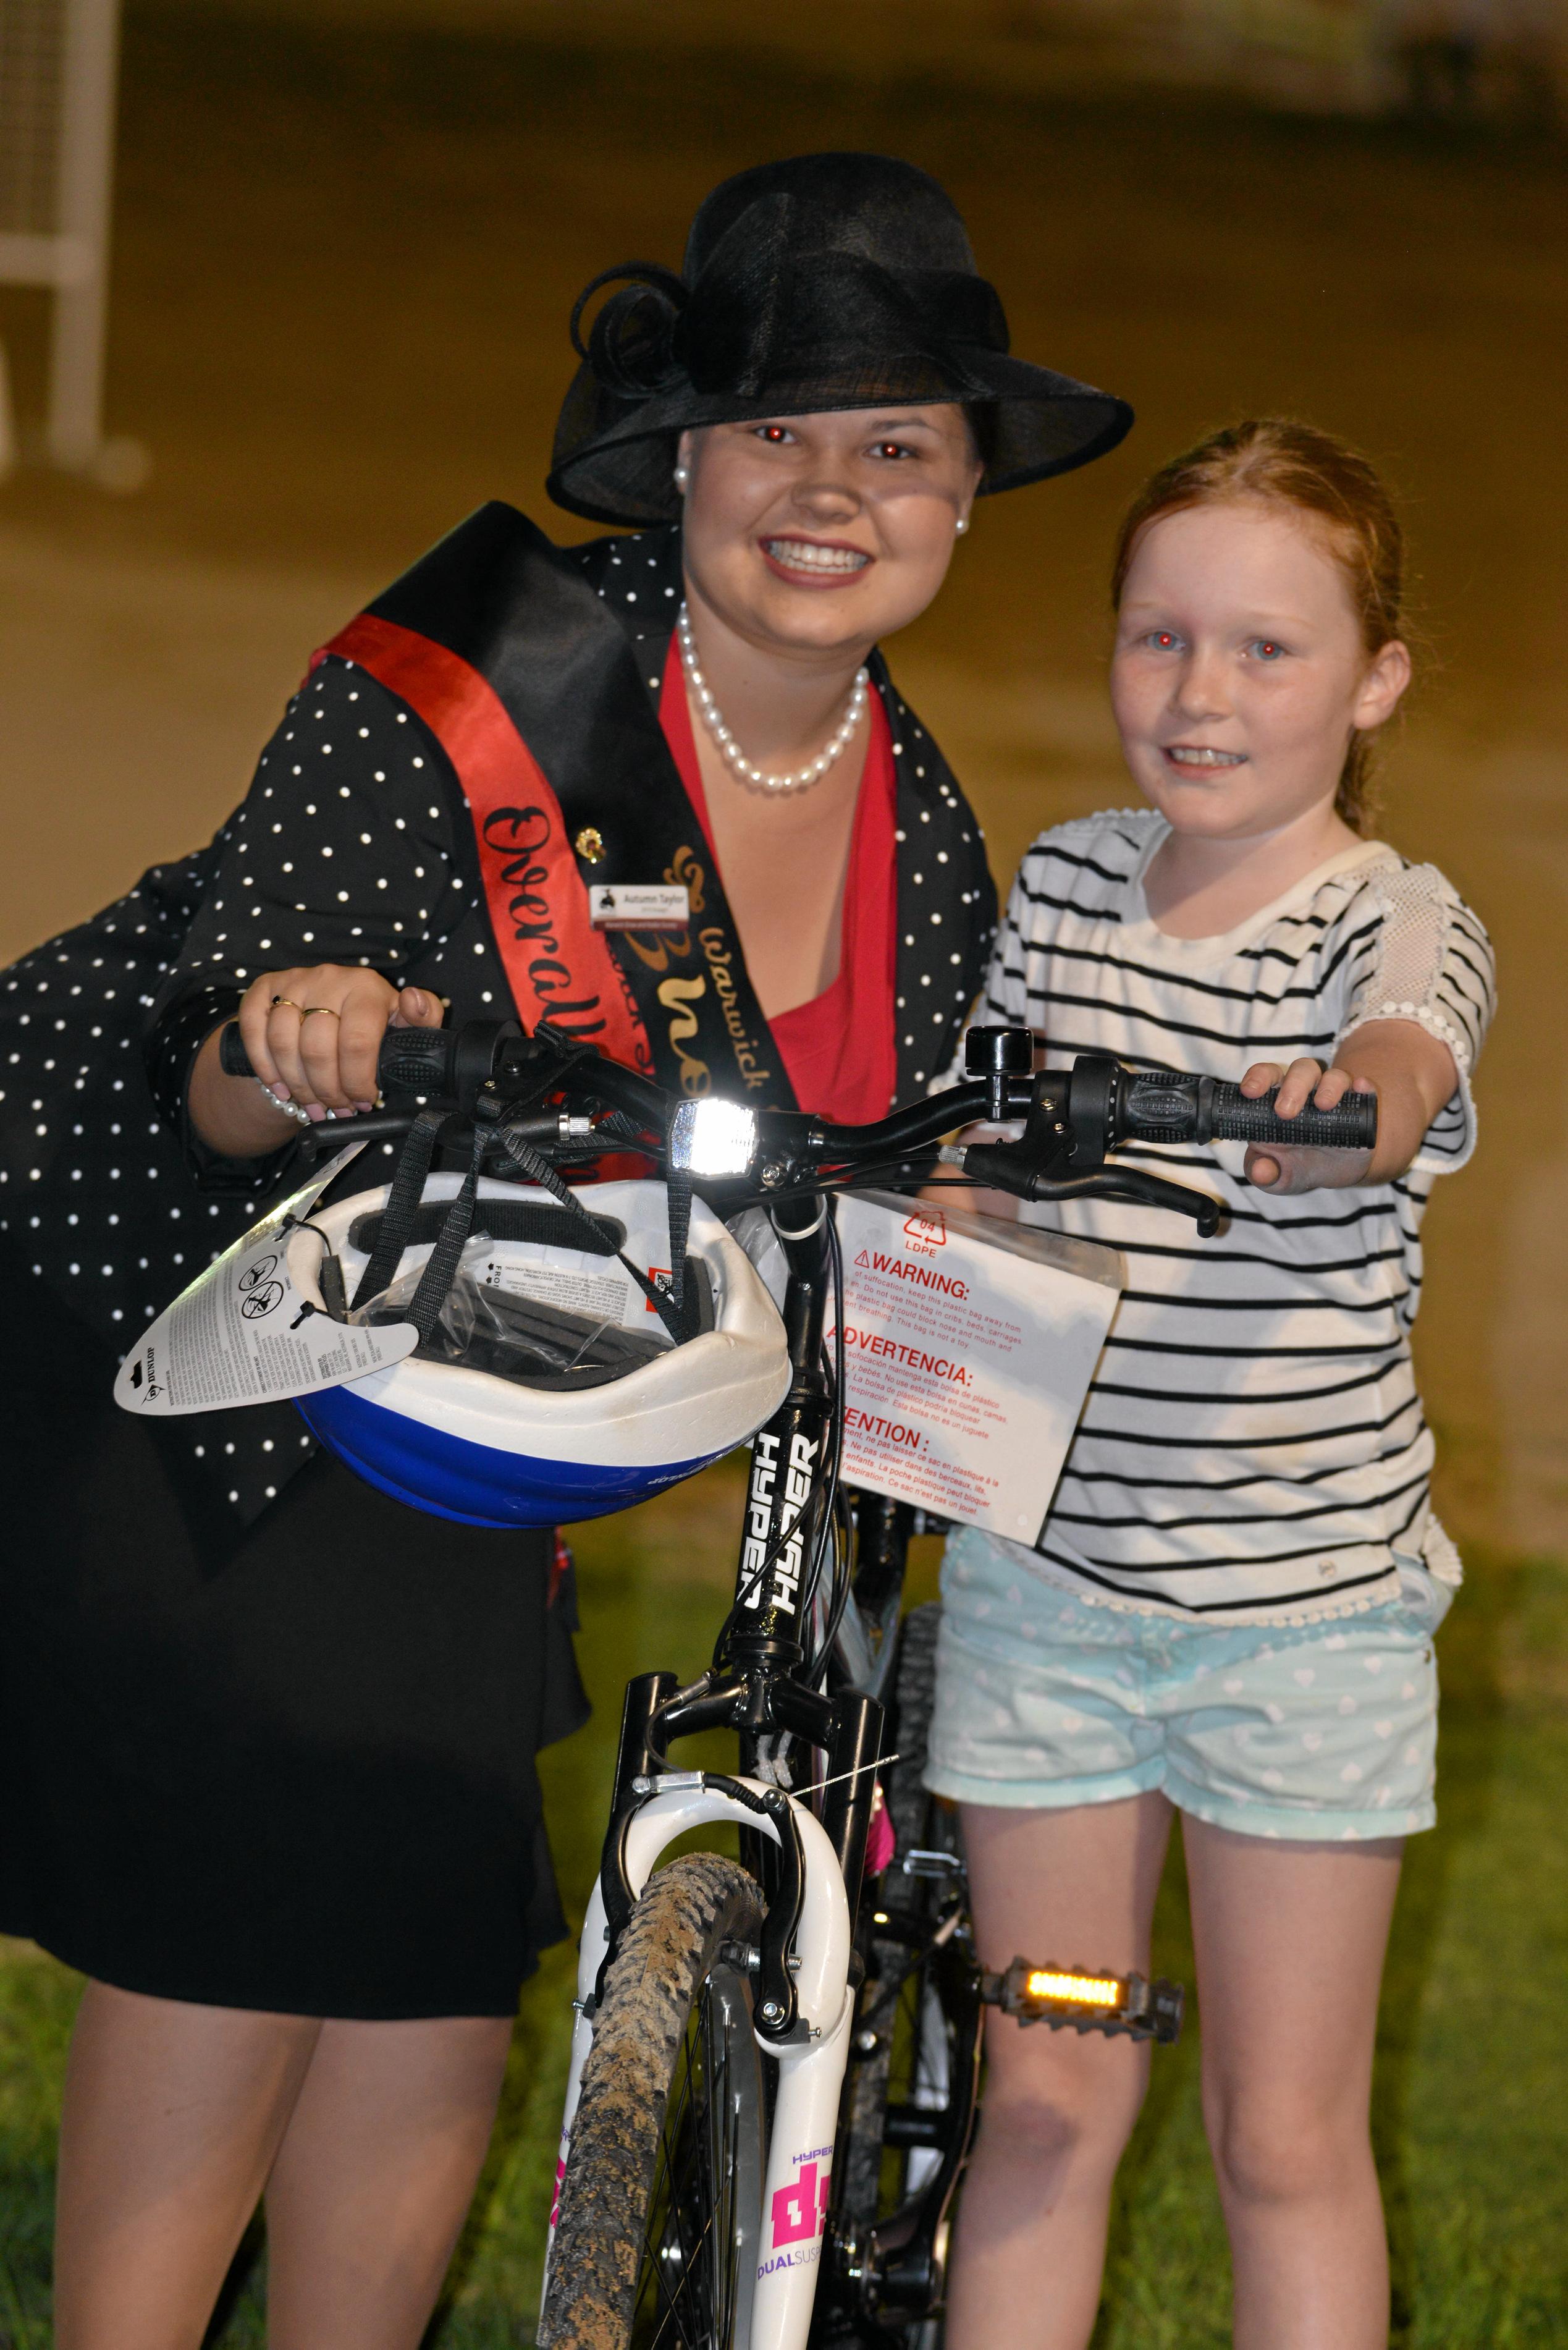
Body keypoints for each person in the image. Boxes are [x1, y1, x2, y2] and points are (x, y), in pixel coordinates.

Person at [0, 153, 1131, 2349]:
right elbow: (203, 1084)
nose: (829, 489)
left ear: (966, 493)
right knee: (268, 1919)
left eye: (894, 443)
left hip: (489, 1441)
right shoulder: (481, 681)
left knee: (434, 1969)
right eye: (775, 432)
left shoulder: (918, 819)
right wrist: (292, 1034)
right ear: (682, 461)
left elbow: (881, 1192)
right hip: (217, 1369)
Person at [929, 419, 1495, 2350]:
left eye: (1264, 648)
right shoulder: (1070, 883)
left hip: (1302, 1639)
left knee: (1279, 2132)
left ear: (1372, 679)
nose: (1199, 691)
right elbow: (976, 1155)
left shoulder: (1383, 917)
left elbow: (1404, 1063)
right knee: (1046, 2094)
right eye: (1157, 637)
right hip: (1046, 1608)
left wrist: (1341, 1113)